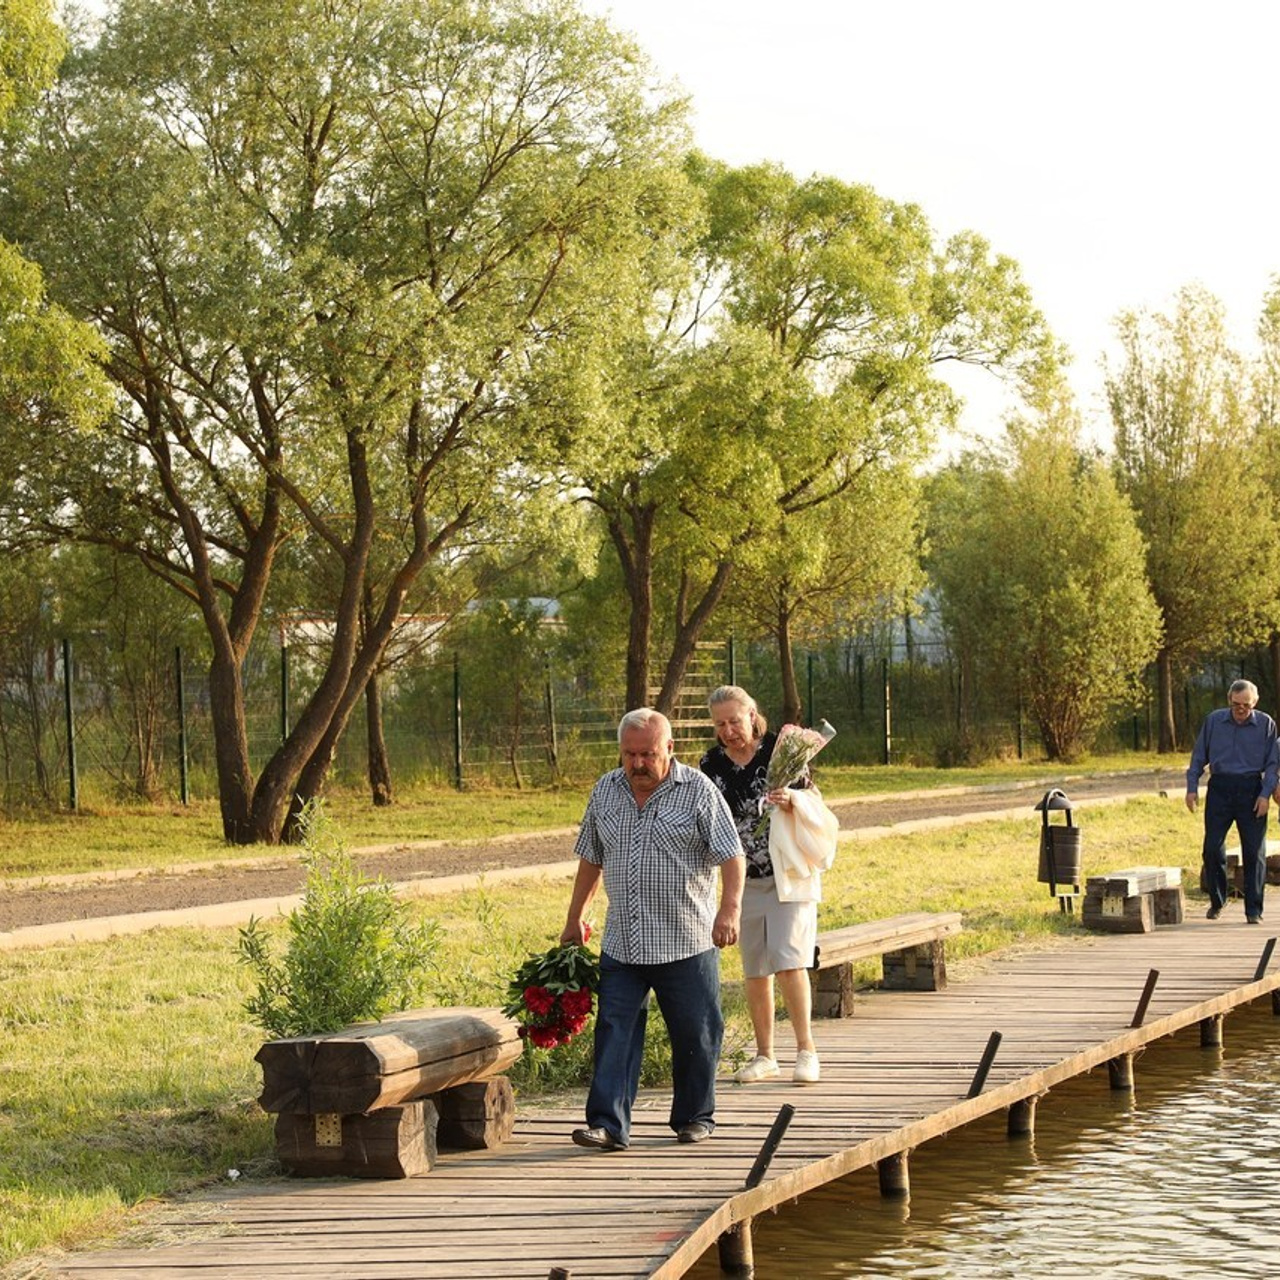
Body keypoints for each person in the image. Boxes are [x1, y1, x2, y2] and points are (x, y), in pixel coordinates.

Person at [561, 708, 745, 1151]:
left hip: (686, 939)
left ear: (669, 748)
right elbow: (591, 857)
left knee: (696, 1034)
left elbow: (731, 855)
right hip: (623, 940)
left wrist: (729, 910)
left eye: (647, 754)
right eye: (629, 754)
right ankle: (608, 1125)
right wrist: (574, 917)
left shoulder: (698, 791)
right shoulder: (606, 790)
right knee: (614, 1030)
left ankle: (694, 1117)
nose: (638, 764)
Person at [699, 685, 822, 1085]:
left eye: (734, 721)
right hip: (743, 879)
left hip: (786, 873)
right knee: (755, 968)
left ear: (752, 715)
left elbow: (815, 803)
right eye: (720, 724)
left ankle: (806, 1050)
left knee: (789, 961)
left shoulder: (781, 751)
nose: (728, 731)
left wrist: (792, 800)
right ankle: (766, 1055)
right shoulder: (711, 764)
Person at [1185, 679, 1279, 924]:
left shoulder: (1266, 724)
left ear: (1255, 702)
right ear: (1230, 700)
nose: (1241, 709)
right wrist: (1192, 788)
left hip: (1251, 789)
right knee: (1211, 848)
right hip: (1220, 788)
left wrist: (1265, 795)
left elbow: (1272, 764)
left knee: (1254, 851)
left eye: (1246, 704)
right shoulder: (1214, 721)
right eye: (1236, 704)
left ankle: (1253, 910)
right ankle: (1217, 900)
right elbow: (1198, 757)